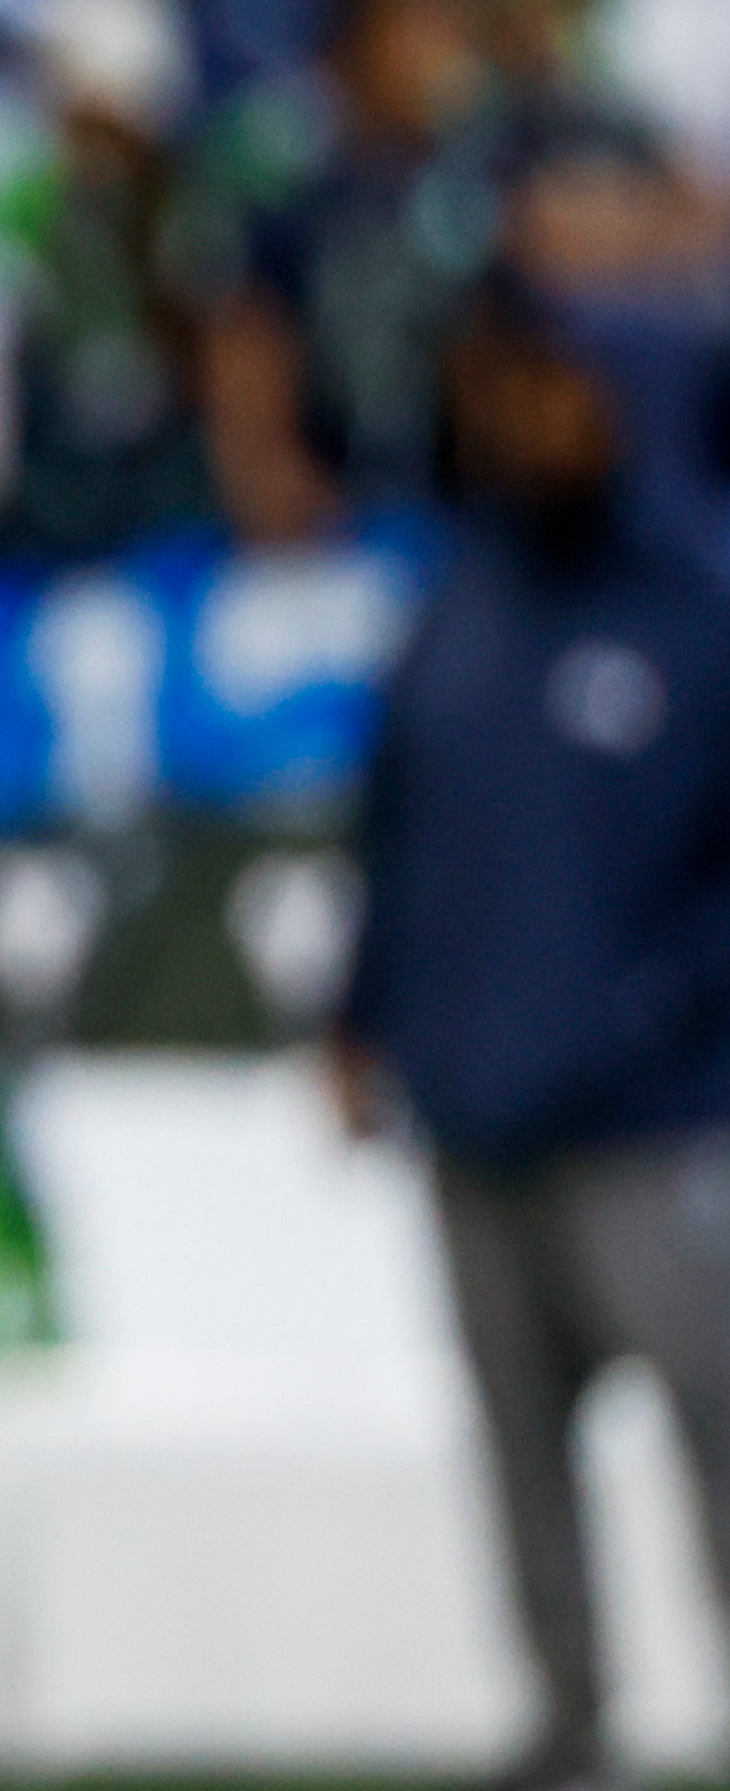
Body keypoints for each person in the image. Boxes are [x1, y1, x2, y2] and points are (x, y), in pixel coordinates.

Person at [334, 273, 730, 1791]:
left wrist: (658, 1014)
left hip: (652, 1121)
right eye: (503, 390)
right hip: (472, 1113)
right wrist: (367, 1021)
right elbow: (394, 827)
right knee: (514, 1444)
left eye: (556, 388)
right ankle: (568, 1720)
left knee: (712, 1426)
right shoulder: (458, 604)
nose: (524, 420)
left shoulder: (694, 615)